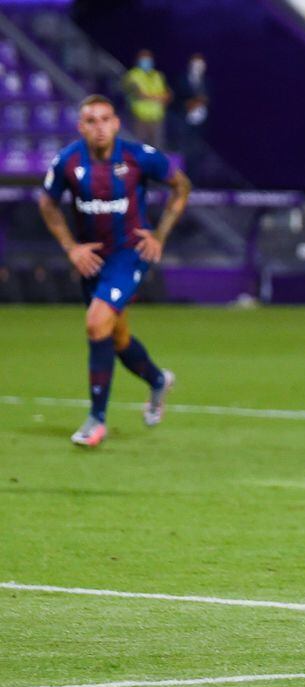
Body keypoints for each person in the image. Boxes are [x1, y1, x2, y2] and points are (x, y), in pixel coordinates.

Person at [38, 94, 191, 446]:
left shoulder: (138, 157)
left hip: (128, 254)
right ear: (81, 127)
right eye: (91, 121)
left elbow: (181, 186)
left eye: (106, 119)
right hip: (92, 260)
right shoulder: (68, 161)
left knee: (96, 323)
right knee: (117, 337)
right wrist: (71, 248)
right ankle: (157, 381)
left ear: (117, 123)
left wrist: (160, 235)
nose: (100, 127)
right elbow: (47, 203)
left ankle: (97, 420)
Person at [121, 49, 171, 149]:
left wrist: (154, 97)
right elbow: (139, 94)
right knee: (138, 147)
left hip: (157, 118)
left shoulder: (158, 75)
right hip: (140, 117)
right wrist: (158, 97)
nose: (146, 61)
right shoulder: (132, 75)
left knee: (157, 148)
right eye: (143, 58)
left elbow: (168, 95)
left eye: (148, 58)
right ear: (138, 60)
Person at [175, 53, 210, 183]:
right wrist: (188, 103)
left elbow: (210, 97)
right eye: (196, 63)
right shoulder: (182, 79)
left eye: (201, 63)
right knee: (185, 149)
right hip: (185, 120)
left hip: (201, 122)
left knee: (198, 150)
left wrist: (203, 101)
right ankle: (182, 177)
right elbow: (177, 97)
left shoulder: (206, 81)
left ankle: (196, 179)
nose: (198, 66)